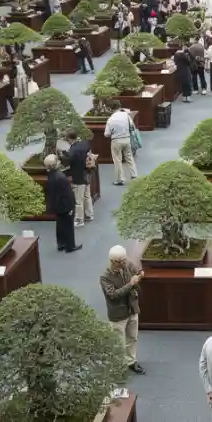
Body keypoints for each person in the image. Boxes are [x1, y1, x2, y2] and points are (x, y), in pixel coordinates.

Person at [100, 245, 146, 374]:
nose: (125, 263)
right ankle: (118, 365)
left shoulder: (126, 263)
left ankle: (131, 361)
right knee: (118, 342)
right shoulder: (105, 277)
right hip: (118, 313)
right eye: (122, 262)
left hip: (132, 308)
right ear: (114, 262)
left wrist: (140, 275)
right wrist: (130, 284)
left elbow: (137, 270)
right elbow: (113, 295)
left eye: (125, 260)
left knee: (132, 337)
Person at [44, 154, 81, 252]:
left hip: (57, 205)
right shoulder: (61, 177)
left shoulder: (51, 175)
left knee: (60, 224)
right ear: (55, 164)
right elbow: (67, 194)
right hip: (65, 205)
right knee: (68, 225)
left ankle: (61, 244)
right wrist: (71, 206)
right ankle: (70, 246)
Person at [64, 128, 94, 227]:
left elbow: (68, 162)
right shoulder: (85, 144)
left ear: (69, 139)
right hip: (87, 173)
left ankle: (79, 219)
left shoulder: (72, 150)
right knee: (87, 196)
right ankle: (89, 214)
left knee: (78, 200)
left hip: (78, 176)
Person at [104, 102, 137, 184]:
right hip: (127, 139)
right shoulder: (126, 115)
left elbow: (106, 134)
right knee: (129, 157)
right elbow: (132, 125)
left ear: (111, 109)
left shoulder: (111, 119)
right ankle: (134, 175)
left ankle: (121, 179)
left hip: (116, 141)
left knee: (117, 160)